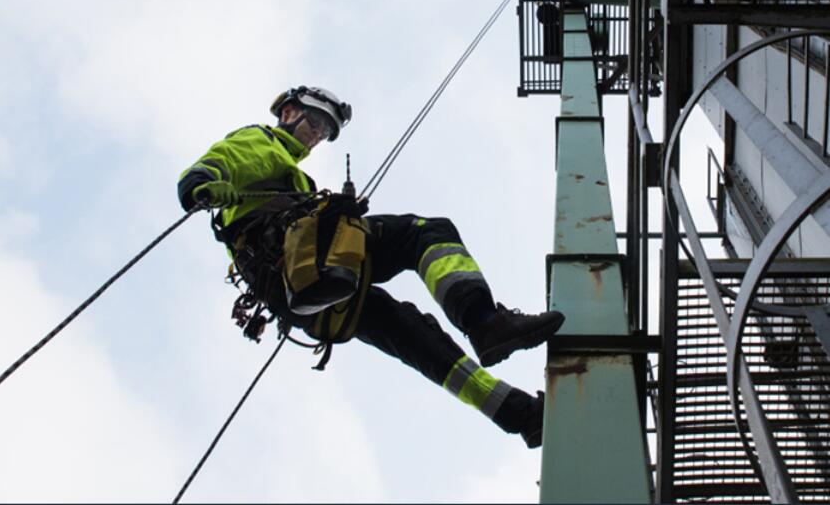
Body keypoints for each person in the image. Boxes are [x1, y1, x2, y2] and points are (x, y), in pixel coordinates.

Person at [177, 86, 565, 447]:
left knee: (416, 336)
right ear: (289, 112)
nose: (315, 137)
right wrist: (202, 181)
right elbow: (227, 160)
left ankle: (522, 416)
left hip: (300, 291)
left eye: (324, 133)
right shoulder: (265, 142)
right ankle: (484, 322)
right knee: (425, 233)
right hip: (302, 257)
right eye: (314, 124)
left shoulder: (296, 178)